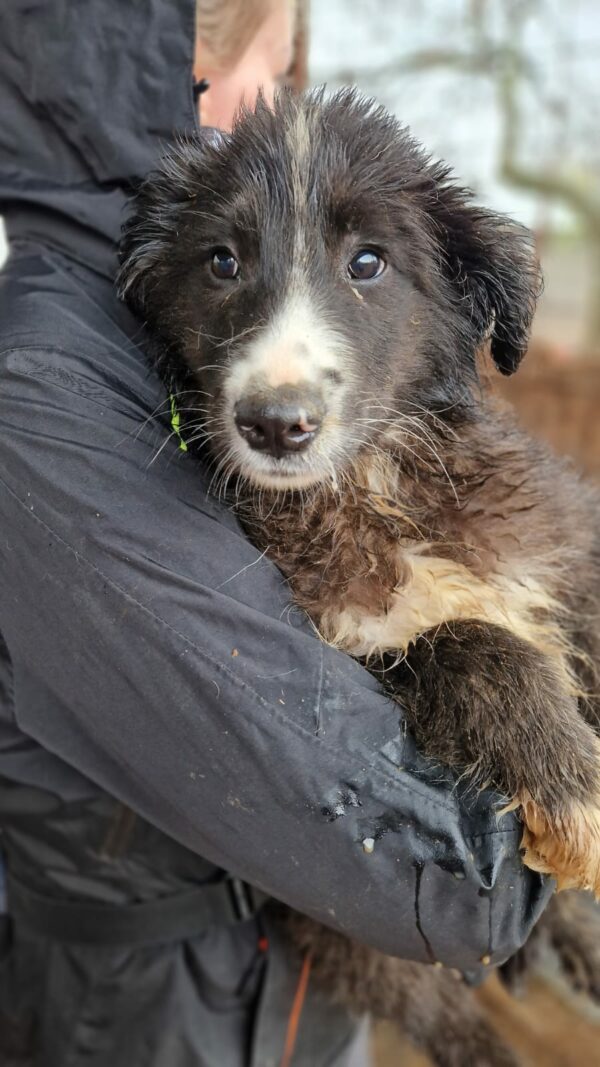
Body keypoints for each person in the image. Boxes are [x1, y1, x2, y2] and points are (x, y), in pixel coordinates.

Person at [0, 2, 551, 1065]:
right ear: (197, 88)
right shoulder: (46, 383)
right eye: (268, 75)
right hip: (151, 1017)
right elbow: (407, 848)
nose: (274, 114)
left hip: (274, 979)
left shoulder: (127, 322)